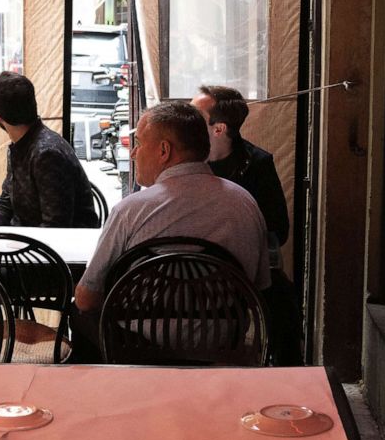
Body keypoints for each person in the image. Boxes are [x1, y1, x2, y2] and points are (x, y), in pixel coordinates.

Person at [72, 101, 269, 360]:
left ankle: (104, 394)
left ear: (164, 150)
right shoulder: (245, 203)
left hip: (137, 349)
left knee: (79, 312)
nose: (133, 153)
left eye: (139, 143)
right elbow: (260, 286)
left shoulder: (131, 210)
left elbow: (86, 299)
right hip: (221, 348)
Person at [191, 85, 301, 364]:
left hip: (240, 264)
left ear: (219, 129)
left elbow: (278, 229)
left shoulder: (257, 163)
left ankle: (288, 378)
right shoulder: (185, 160)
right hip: (190, 263)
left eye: (195, 116)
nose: (186, 120)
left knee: (281, 300)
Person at [0, 71, 99, 228]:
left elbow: (55, 225)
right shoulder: (21, 146)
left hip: (53, 247)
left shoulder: (47, 154)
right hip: (27, 240)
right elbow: (6, 201)